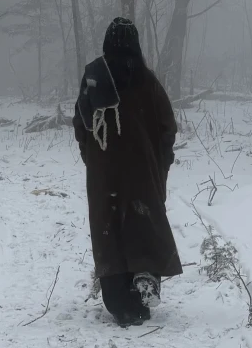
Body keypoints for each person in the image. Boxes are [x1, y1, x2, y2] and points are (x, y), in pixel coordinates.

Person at [73, 16, 182, 326]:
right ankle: (145, 280)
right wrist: (161, 164)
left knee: (109, 230)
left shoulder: (95, 76)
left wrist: (91, 159)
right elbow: (167, 128)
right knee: (144, 224)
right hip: (142, 168)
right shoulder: (148, 81)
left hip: (104, 170)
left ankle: (119, 301)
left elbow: (81, 123)